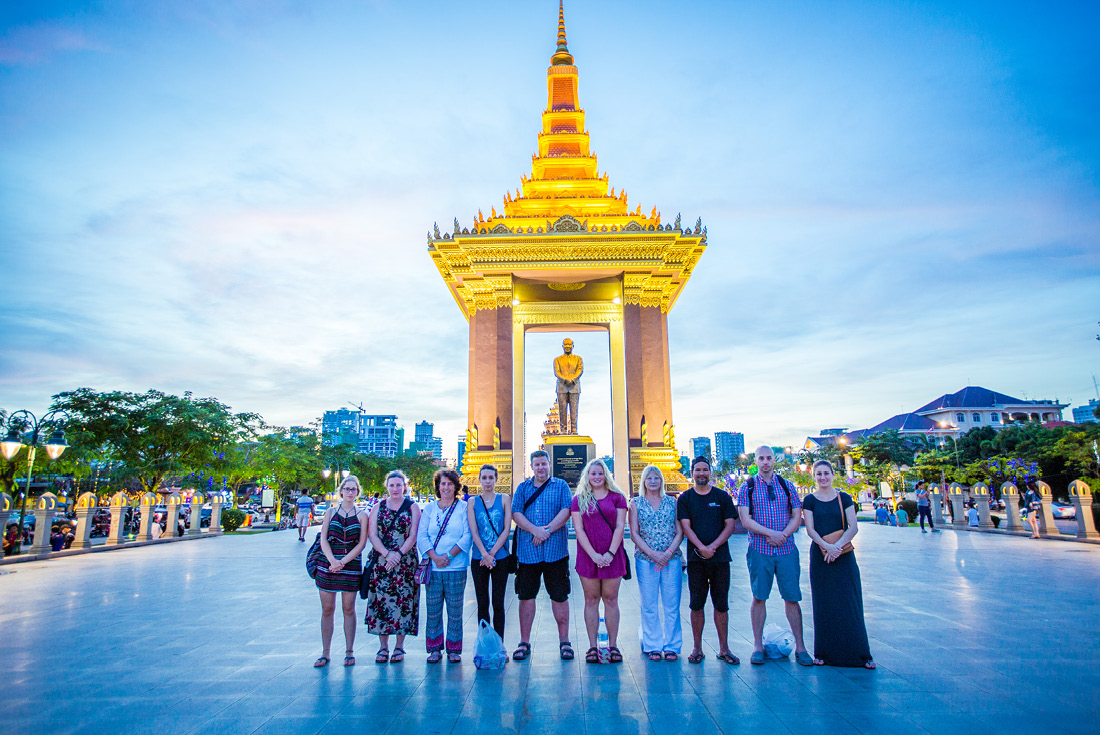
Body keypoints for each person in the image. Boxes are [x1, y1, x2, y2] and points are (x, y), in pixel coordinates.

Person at [737, 446, 816, 667]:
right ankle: (757, 646)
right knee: (759, 596)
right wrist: (770, 533)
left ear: (774, 460)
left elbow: (796, 514)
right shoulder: (748, 487)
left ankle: (800, 647)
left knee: (792, 597)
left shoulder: (787, 485)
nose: (765, 462)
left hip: (786, 549)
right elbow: (745, 520)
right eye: (761, 458)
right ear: (755, 461)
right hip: (760, 549)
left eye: (769, 458)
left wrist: (783, 535)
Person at [802, 459, 874, 669]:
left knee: (850, 602)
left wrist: (838, 547)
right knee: (824, 603)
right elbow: (810, 529)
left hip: (844, 555)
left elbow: (853, 526)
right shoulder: (810, 500)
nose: (823, 477)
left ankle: (861, 654)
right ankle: (823, 653)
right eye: (819, 474)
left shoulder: (844, 497)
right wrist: (826, 546)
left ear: (833, 474)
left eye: (826, 473)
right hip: (820, 556)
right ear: (814, 477)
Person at [511, 449, 574, 661]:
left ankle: (564, 641)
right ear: (532, 466)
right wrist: (534, 530)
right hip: (529, 552)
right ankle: (524, 641)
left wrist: (546, 531)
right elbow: (516, 513)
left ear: (549, 464)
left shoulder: (561, 486)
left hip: (555, 551)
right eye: (536, 464)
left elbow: (566, 511)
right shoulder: (523, 488)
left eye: (543, 464)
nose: (540, 468)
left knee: (559, 596)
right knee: (526, 596)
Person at [677, 456, 739, 665]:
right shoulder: (685, 498)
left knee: (721, 604)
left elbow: (729, 525)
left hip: (720, 558)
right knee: (696, 604)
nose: (701, 473)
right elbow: (686, 527)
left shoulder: (721, 497)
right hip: (696, 560)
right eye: (697, 470)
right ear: (692, 473)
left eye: (705, 469)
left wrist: (713, 547)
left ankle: (724, 648)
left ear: (710, 472)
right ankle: (697, 648)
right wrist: (701, 548)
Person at [571, 458, 628, 664]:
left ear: (606, 475)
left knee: (611, 600)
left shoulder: (618, 498)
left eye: (600, 473)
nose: (596, 477)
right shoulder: (579, 500)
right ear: (587, 476)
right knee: (591, 600)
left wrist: (610, 554)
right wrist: (594, 555)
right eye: (593, 473)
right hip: (588, 556)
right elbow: (579, 530)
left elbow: (620, 526)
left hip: (613, 555)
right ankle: (592, 646)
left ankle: (613, 645)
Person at [312, 476, 369, 667]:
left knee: (348, 609)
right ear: (341, 491)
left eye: (354, 489)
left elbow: (361, 543)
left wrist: (343, 562)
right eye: (347, 489)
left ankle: (349, 651)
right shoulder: (330, 512)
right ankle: (325, 652)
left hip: (350, 565)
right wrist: (332, 561)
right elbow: (323, 538)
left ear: (357, 492)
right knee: (327, 609)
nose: (350, 492)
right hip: (328, 563)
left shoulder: (362, 515)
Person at [365, 470, 421, 664]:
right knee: (382, 602)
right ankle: (383, 646)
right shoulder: (378, 507)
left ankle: (399, 646)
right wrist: (387, 554)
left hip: (405, 562)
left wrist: (398, 554)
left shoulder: (412, 507)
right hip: (382, 561)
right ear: (386, 487)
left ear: (405, 486)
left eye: (399, 485)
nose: (395, 489)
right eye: (392, 485)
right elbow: (372, 534)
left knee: (403, 602)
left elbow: (413, 534)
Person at [628, 464, 683, 661]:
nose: (653, 481)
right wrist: (652, 553)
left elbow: (680, 531)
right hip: (645, 559)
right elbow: (634, 533)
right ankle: (652, 644)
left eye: (656, 478)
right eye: (649, 478)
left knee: (672, 604)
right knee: (649, 604)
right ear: (643, 481)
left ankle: (672, 646)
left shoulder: (672, 503)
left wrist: (667, 553)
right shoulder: (635, 503)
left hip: (672, 559)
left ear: (661, 481)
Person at [417, 468, 472, 663]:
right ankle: (434, 648)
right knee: (433, 609)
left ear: (455, 486)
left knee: (455, 610)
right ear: (438, 487)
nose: (446, 487)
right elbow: (422, 535)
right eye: (443, 484)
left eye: (450, 484)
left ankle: (454, 649)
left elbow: (468, 535)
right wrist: (434, 556)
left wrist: (448, 556)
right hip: (433, 567)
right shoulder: (430, 508)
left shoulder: (463, 508)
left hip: (455, 566)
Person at [467, 464, 512, 638]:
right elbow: (474, 531)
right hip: (479, 558)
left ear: (496, 479)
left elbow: (506, 529)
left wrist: (492, 553)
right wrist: (485, 554)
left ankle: (499, 644)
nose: (487, 481)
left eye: (490, 477)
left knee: (498, 602)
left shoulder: (504, 499)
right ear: (479, 479)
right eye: (484, 477)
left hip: (500, 557)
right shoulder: (472, 502)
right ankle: (484, 643)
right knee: (482, 602)